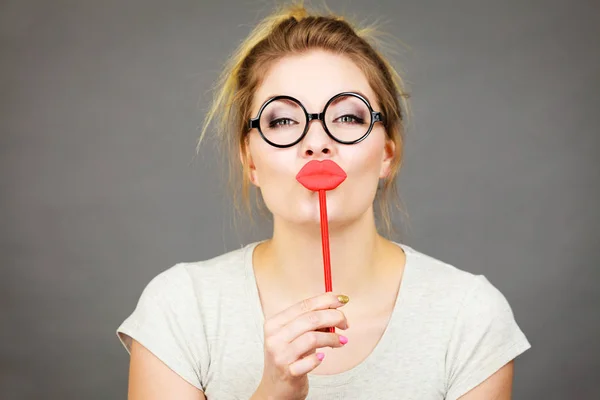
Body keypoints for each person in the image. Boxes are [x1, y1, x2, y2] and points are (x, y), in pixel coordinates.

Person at [116, 2, 531, 399]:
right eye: (283, 121)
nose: (317, 142)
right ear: (250, 161)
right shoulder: (180, 308)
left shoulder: (469, 315)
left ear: (387, 152)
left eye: (347, 117)